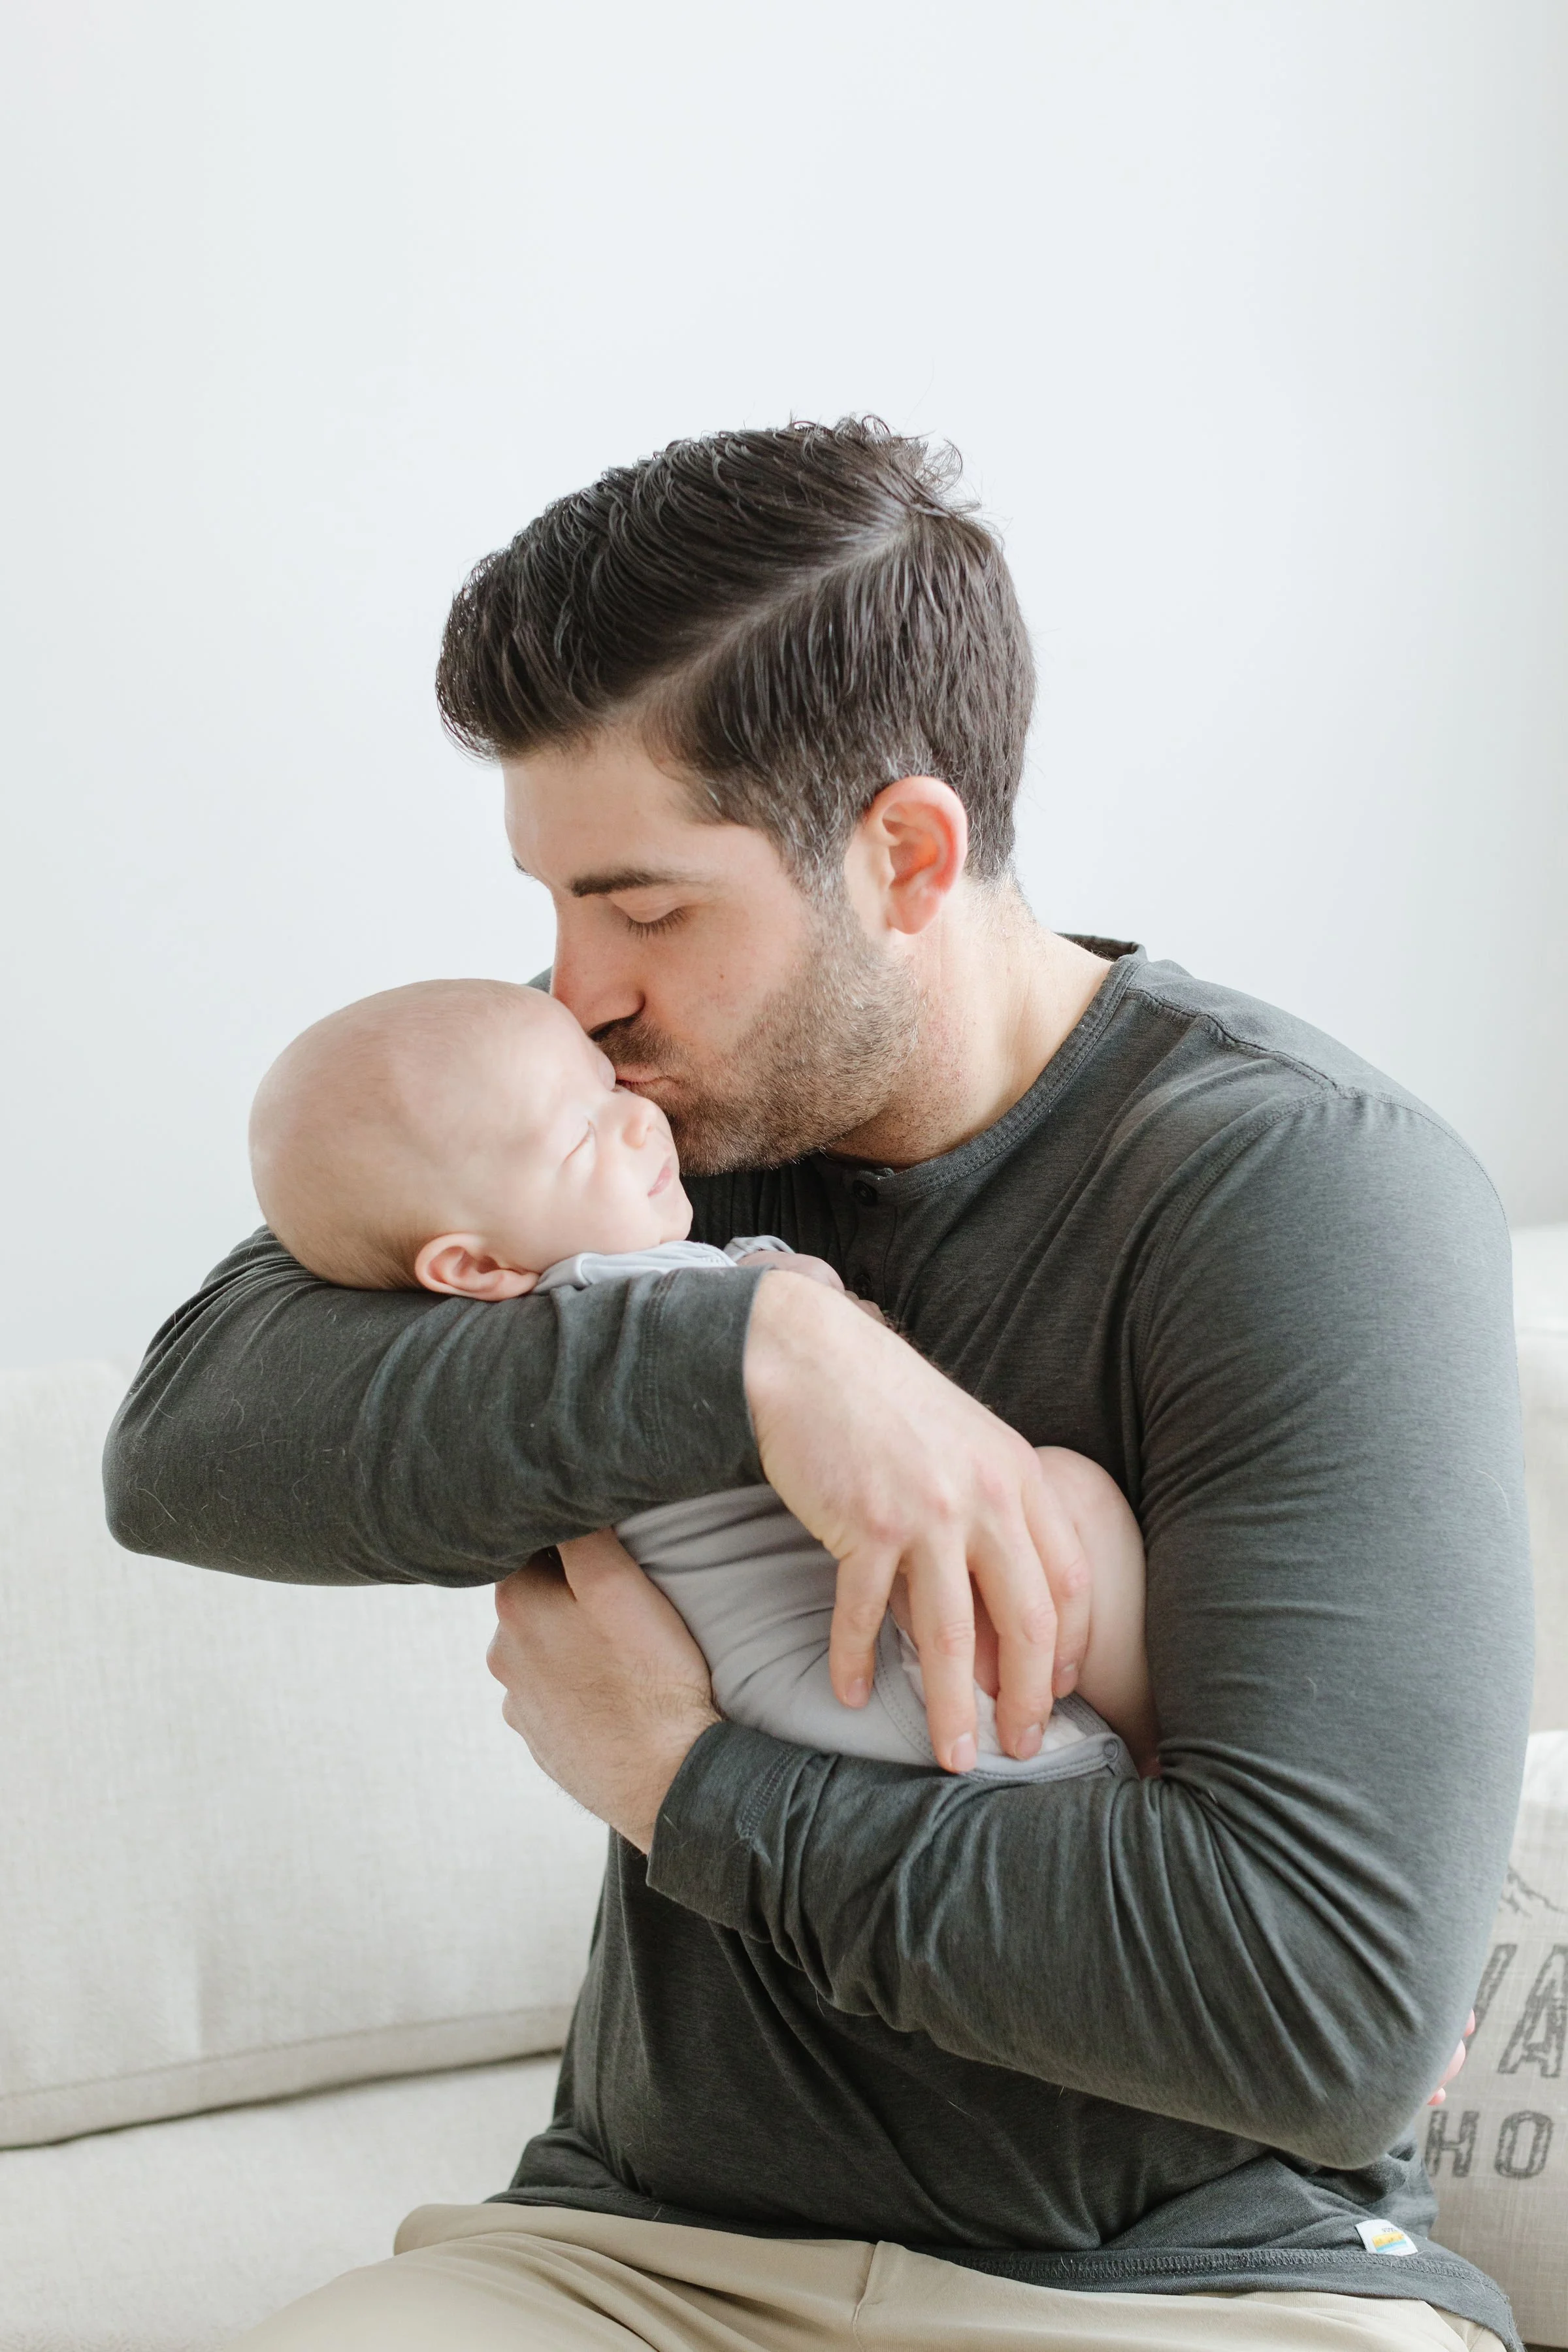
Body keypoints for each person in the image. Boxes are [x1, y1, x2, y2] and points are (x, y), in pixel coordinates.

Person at [105, 419, 1530, 2352]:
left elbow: (1318, 2013)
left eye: (644, 906)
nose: (572, 991)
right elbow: (189, 1444)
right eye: (550, 908)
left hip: (1196, 2297)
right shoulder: (620, 1137)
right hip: (628, 2266)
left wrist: (687, 1789)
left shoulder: (1303, 1195)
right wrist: (761, 1346)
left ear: (906, 856)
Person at [246, 973, 1157, 1777]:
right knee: (1066, 1498)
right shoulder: (594, 1298)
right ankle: (1162, 1751)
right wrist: (801, 1302)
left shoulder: (552, 1321)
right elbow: (764, 1316)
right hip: (859, 1685)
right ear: (476, 1269)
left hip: (812, 1699)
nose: (639, 1116)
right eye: (580, 1136)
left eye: (604, 1089)